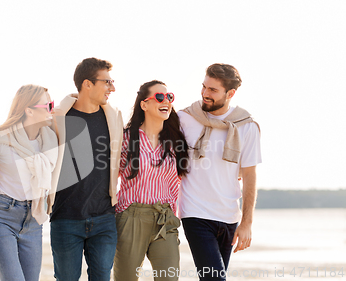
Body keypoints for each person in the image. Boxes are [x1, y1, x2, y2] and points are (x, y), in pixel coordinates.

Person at [178, 63, 262, 281]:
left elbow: (250, 176)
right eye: (204, 87)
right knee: (214, 279)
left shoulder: (247, 126)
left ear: (230, 93)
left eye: (213, 90)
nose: (205, 94)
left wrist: (246, 223)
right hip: (194, 213)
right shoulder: (183, 118)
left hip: (229, 216)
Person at [48, 57, 124, 281]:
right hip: (65, 217)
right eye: (107, 82)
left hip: (104, 218)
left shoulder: (114, 117)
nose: (112, 88)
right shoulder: (57, 118)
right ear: (87, 84)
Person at [114, 80, 189, 281]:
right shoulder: (126, 139)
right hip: (131, 217)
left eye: (169, 97)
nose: (166, 101)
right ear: (144, 104)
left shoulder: (176, 142)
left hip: (165, 218)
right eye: (159, 97)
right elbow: (110, 179)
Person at [0, 84, 58, 281]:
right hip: (2, 216)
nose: (52, 109)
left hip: (34, 219)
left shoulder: (50, 141)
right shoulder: (2, 139)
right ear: (29, 110)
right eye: (48, 105)